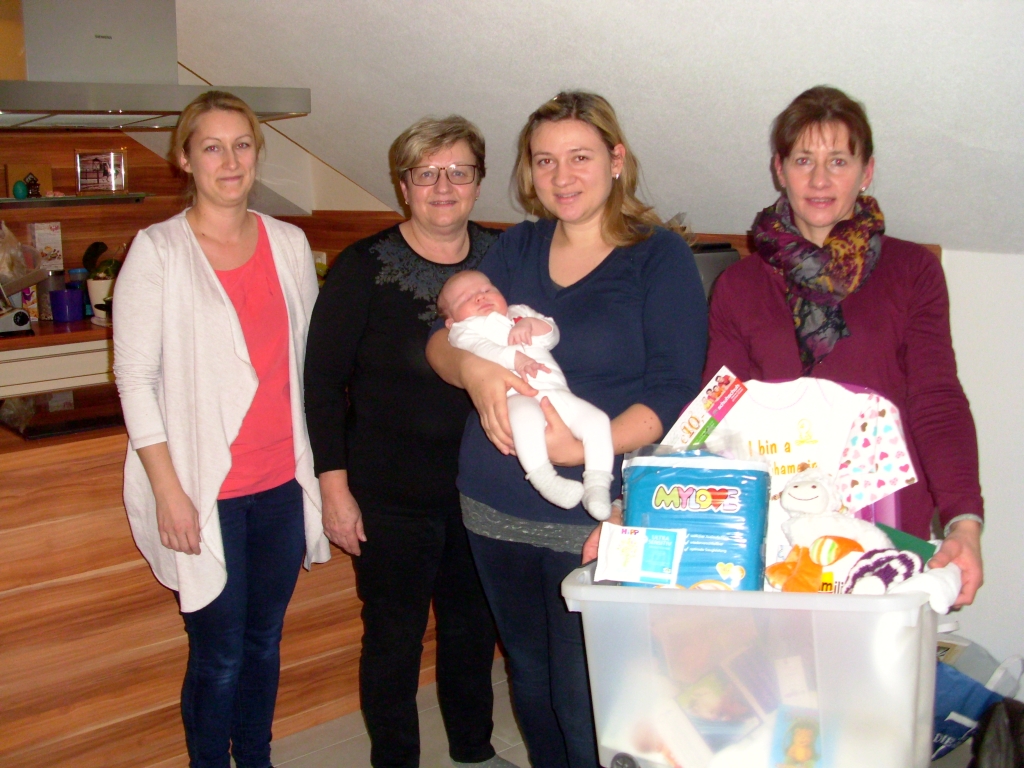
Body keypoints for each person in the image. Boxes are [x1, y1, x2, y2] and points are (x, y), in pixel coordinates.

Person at [427, 91, 708, 768]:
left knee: (590, 692)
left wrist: (583, 448)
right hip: (493, 504)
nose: (561, 176)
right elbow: (441, 341)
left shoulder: (659, 257)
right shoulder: (516, 247)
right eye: (545, 160)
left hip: (597, 511)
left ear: (616, 160)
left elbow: (674, 393)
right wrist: (476, 372)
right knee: (528, 675)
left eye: (579, 157)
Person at [113, 90, 331, 768]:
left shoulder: (289, 244)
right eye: (212, 146)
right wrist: (169, 492)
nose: (230, 161)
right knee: (220, 654)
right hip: (205, 492)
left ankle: (256, 758)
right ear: (185, 159)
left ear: (257, 155)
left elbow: (310, 365)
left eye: (242, 145)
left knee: (264, 643)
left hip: (281, 483)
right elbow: (134, 378)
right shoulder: (158, 251)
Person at [703, 85, 983, 607]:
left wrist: (964, 522)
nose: (820, 180)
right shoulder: (739, 286)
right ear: (779, 169)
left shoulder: (912, 272)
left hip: (887, 527)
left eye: (838, 161)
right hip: (778, 532)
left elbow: (936, 399)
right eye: (803, 160)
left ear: (866, 171)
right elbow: (717, 419)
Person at [303, 117, 513, 768]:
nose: (443, 187)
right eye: (426, 173)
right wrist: (334, 490)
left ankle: (474, 751)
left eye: (459, 172)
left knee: (473, 630)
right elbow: (321, 385)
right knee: (394, 639)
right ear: (403, 185)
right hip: (389, 495)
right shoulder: (363, 267)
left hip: (481, 489)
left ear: (478, 181)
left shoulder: (506, 258)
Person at [438, 269, 614, 520]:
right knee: (526, 420)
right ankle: (546, 480)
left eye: (487, 289)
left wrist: (531, 325)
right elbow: (482, 348)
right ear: (450, 321)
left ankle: (597, 486)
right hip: (513, 394)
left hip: (555, 391)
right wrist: (515, 358)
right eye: (466, 298)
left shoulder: (519, 312)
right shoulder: (462, 330)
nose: (480, 297)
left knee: (597, 420)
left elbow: (551, 335)